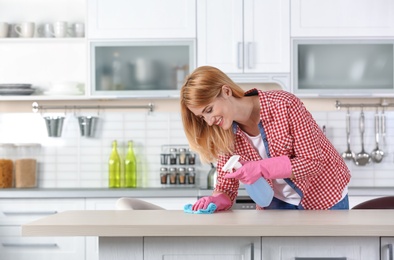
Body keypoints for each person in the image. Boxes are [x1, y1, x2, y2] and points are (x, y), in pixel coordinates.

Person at [180, 66, 351, 211]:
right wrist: (215, 201)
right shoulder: (225, 133)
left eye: (209, 110)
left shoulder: (284, 105)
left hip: (324, 196)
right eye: (202, 117)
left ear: (226, 91)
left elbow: (313, 162)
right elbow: (226, 188)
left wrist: (260, 168)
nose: (209, 122)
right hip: (276, 204)